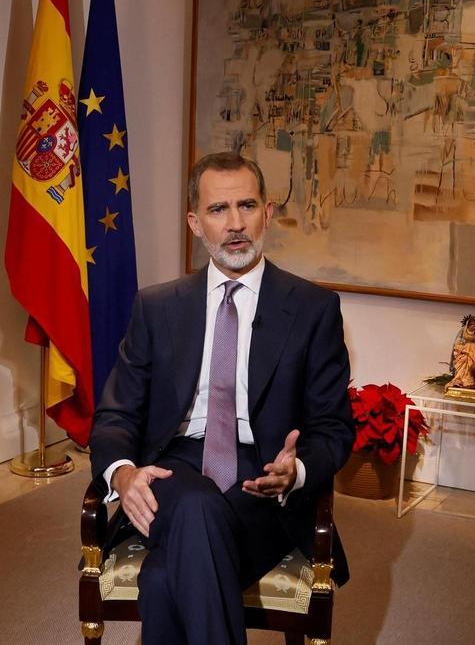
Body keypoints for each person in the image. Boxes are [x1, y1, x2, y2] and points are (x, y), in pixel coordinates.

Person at [90, 152, 354, 645]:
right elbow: (115, 415)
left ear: (268, 212)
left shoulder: (314, 309)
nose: (235, 224)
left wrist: (294, 471)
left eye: (247, 206)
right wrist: (123, 474)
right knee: (192, 506)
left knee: (167, 577)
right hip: (174, 469)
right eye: (218, 210)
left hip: (263, 481)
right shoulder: (157, 306)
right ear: (195, 222)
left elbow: (335, 427)